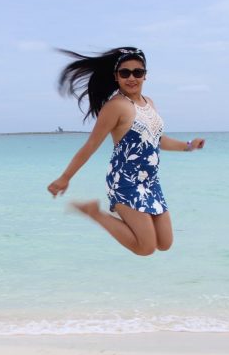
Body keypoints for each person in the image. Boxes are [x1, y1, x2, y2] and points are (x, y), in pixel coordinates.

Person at [47, 47, 205, 256]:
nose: (132, 78)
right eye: (125, 73)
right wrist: (65, 177)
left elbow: (156, 141)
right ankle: (95, 213)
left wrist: (188, 146)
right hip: (125, 181)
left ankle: (103, 214)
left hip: (150, 182)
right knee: (145, 247)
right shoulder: (116, 106)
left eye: (137, 72)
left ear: (145, 75)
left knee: (165, 243)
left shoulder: (149, 103)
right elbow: (91, 145)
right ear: (116, 77)